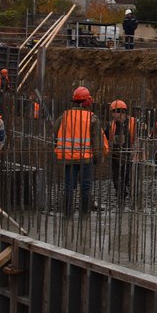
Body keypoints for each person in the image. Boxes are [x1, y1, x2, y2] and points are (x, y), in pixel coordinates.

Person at [54, 86, 109, 216]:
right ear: (86, 102)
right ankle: (84, 215)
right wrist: (98, 158)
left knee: (69, 187)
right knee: (85, 188)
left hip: (68, 158)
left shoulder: (63, 117)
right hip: (86, 158)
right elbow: (97, 141)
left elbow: (56, 134)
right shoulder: (92, 118)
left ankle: (67, 214)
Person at [105, 99, 138, 207]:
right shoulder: (111, 125)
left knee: (129, 177)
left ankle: (133, 195)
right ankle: (121, 196)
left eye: (114, 112)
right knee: (117, 178)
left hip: (130, 155)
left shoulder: (133, 122)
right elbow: (104, 138)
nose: (112, 115)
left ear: (120, 112)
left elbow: (141, 138)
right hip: (116, 155)